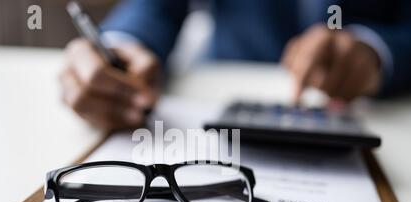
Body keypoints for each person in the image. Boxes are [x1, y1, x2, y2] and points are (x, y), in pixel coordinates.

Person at [59, 0, 411, 131]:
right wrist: (121, 47)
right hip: (213, 104)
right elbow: (156, 7)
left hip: (377, 114)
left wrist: (377, 50)